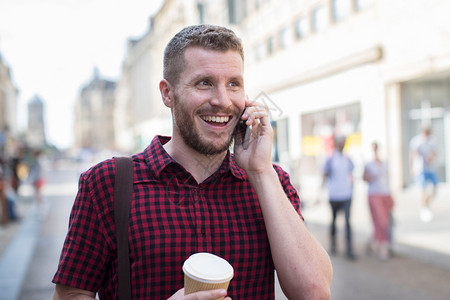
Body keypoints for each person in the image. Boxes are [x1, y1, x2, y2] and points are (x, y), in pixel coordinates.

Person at [52, 25, 332, 300]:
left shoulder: (271, 182)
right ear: (167, 93)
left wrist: (260, 171)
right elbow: (71, 294)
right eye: (204, 83)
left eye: (233, 84)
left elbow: (315, 292)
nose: (222, 101)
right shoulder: (108, 183)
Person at [322, 135, 356, 260]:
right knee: (334, 221)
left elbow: (351, 173)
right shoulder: (330, 158)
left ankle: (349, 249)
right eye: (341, 142)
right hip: (334, 195)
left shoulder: (347, 158)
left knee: (348, 222)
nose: (343, 144)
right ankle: (333, 246)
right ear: (336, 144)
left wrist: (352, 188)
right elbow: (325, 174)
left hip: (346, 194)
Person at [363, 142, 394, 260]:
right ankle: (383, 249)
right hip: (374, 194)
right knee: (381, 222)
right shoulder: (368, 163)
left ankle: (372, 243)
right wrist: (371, 177)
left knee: (385, 222)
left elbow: (387, 179)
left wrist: (391, 195)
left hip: (385, 194)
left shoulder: (385, 162)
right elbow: (364, 178)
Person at [409, 126, 438, 222]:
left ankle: (427, 204)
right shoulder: (417, 141)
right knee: (424, 189)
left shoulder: (432, 140)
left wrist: (432, 157)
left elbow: (435, 152)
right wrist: (412, 168)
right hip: (421, 169)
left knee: (434, 189)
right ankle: (424, 207)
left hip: (431, 169)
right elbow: (412, 154)